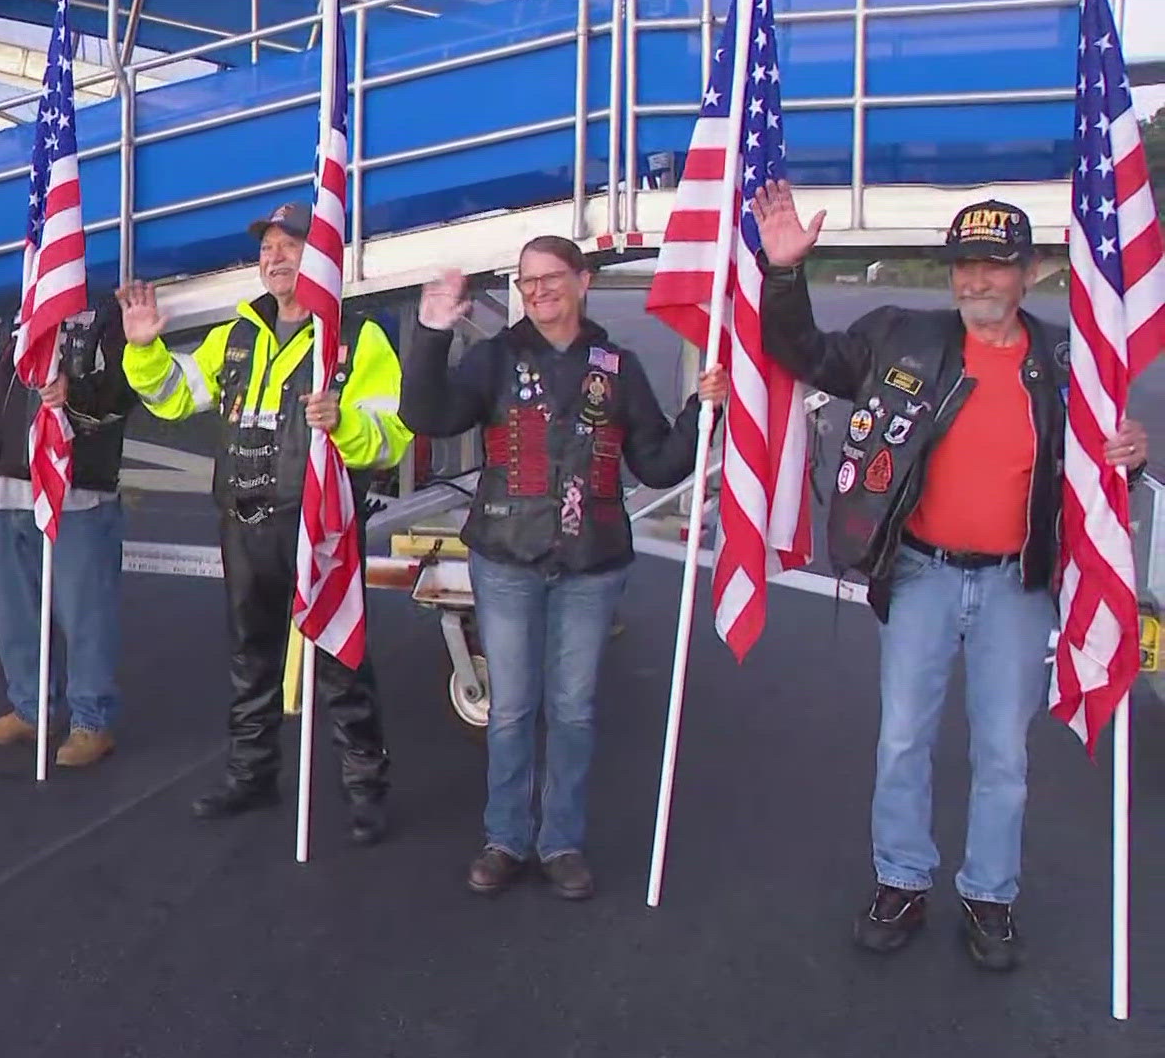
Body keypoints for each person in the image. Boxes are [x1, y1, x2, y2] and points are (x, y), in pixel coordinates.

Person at [751, 183, 1149, 970]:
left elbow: (1100, 477)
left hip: (1016, 584)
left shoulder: (1068, 364)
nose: (975, 281)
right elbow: (806, 355)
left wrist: (1126, 457)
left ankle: (989, 895)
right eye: (964, 265)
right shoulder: (900, 336)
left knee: (1004, 750)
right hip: (924, 573)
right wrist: (786, 274)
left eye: (993, 267)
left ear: (1029, 273)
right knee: (903, 737)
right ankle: (901, 879)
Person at [401, 235, 728, 900]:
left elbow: (659, 464)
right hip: (505, 557)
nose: (539, 291)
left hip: (593, 562)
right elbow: (425, 414)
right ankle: (504, 838)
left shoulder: (620, 366)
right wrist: (432, 335)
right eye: (526, 282)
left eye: (552, 278)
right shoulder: (492, 360)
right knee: (511, 709)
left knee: (574, 711)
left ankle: (561, 842)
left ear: (584, 281)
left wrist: (703, 411)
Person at [118, 202, 410, 845]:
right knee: (251, 657)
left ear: (323, 256)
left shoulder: (357, 338)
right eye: (268, 249)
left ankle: (366, 790)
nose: (275, 258)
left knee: (340, 659)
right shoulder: (237, 332)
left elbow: (391, 438)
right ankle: (251, 775)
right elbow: (174, 397)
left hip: (320, 526)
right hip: (243, 521)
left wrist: (346, 424)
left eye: (290, 246)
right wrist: (144, 350)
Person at [0, 222, 135, 767]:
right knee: (15, 613)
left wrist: (74, 391)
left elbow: (125, 388)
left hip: (76, 490)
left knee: (86, 614)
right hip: (0, 485)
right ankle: (31, 707)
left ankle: (90, 722)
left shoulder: (104, 313)